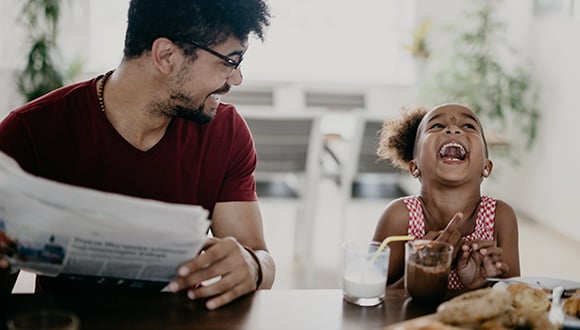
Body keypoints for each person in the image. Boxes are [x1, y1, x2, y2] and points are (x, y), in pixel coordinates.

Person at [0, 0, 274, 310]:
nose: (236, 78)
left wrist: (253, 266)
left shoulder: (227, 132)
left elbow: (259, 255)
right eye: (230, 61)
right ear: (166, 56)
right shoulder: (30, 132)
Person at [372, 103, 520, 292]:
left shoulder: (501, 217)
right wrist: (425, 269)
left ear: (486, 166)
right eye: (437, 126)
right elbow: (369, 297)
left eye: (468, 126)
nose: (453, 129)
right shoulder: (399, 216)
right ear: (414, 166)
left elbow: (515, 298)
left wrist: (485, 284)